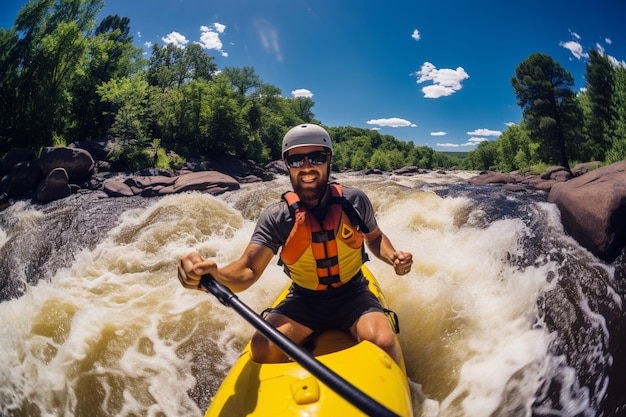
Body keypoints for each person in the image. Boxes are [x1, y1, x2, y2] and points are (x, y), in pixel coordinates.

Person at [178, 123, 413, 364]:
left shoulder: (354, 201)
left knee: (383, 343)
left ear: (328, 160)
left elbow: (374, 238)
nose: (307, 167)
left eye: (317, 157)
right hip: (305, 300)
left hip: (353, 295)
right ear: (287, 165)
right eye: (297, 160)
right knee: (261, 348)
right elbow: (248, 269)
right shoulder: (278, 217)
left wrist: (392, 256)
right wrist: (211, 277)